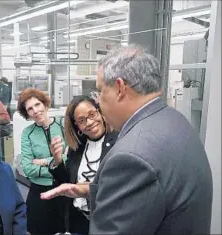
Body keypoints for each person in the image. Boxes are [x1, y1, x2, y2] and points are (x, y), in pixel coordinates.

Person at [41, 45, 213, 234]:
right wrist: (88, 190)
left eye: (100, 91)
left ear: (120, 88)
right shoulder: (174, 121)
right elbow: (150, 197)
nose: (98, 101)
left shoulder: (131, 155)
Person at [48, 95, 118, 234]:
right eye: (82, 120)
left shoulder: (119, 142)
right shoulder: (77, 148)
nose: (90, 122)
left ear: (100, 112)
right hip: (78, 219)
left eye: (92, 114)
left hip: (108, 220)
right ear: (77, 126)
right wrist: (57, 160)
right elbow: (67, 184)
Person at [18, 88, 66, 234]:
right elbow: (27, 167)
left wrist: (45, 161)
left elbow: (71, 158)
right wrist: (58, 167)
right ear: (27, 114)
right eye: (30, 109)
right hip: (39, 193)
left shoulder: (63, 125)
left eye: (37, 105)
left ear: (44, 104)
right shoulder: (27, 133)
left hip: (63, 191)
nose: (35, 111)